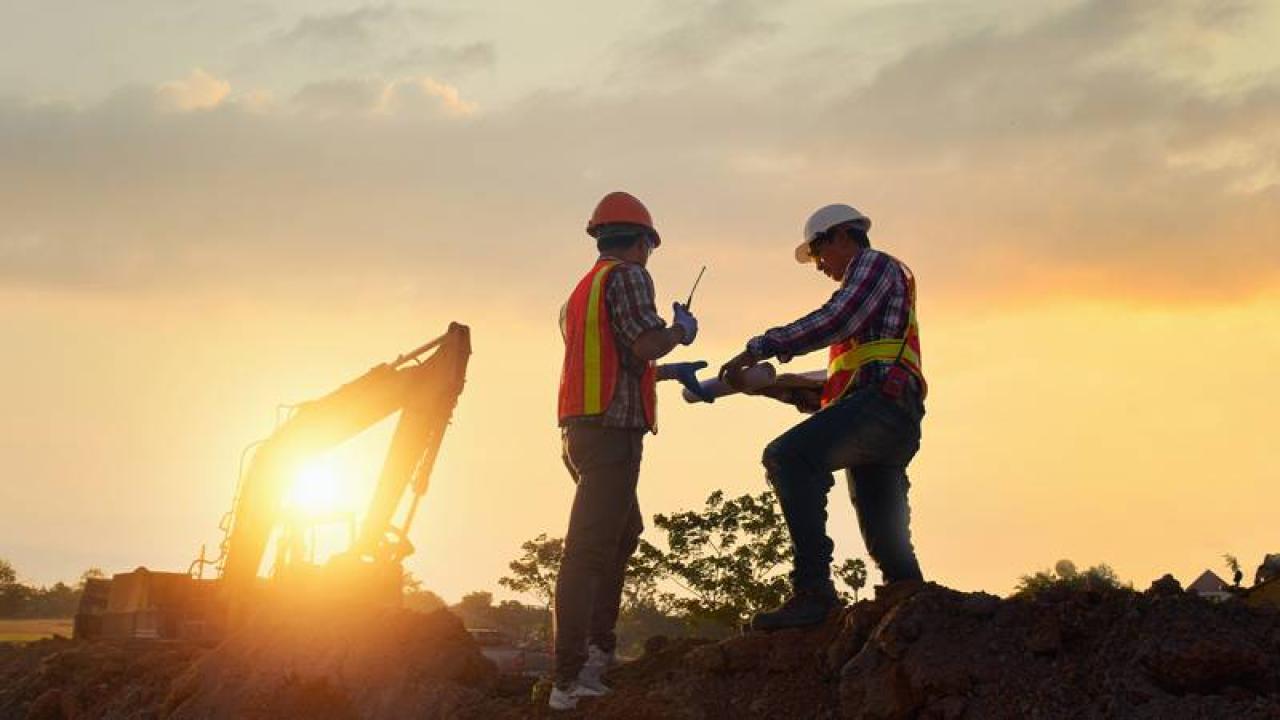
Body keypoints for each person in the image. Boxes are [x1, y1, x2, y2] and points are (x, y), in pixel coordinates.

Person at [719, 203, 928, 631]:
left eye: (818, 254)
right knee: (886, 539)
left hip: (883, 408)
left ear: (841, 237)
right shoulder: (869, 319)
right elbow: (835, 394)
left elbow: (836, 318)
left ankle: (814, 590)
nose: (819, 266)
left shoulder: (872, 265)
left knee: (788, 456)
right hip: (886, 415)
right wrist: (776, 387)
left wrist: (760, 346)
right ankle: (916, 611)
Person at [551, 191, 707, 710]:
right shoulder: (630, 276)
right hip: (614, 434)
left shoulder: (581, 291)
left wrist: (665, 371)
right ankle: (572, 676)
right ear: (643, 242)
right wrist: (680, 333)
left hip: (580, 431)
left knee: (621, 533)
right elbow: (643, 344)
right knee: (590, 550)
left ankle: (595, 652)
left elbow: (616, 361)